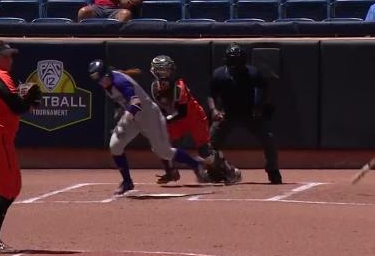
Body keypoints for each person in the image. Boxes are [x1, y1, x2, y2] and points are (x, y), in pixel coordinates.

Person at [88, 60, 207, 195]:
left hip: (150, 116)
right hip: (134, 117)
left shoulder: (120, 82)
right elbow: (120, 99)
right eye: (99, 80)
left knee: (164, 152)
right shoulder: (107, 83)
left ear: (107, 74)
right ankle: (127, 182)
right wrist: (119, 112)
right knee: (115, 146)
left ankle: (196, 165)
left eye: (103, 79)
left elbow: (135, 102)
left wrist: (124, 120)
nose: (101, 82)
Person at [0, 41, 41, 253]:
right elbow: (16, 106)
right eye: (5, 56)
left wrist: (25, 102)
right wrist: (29, 103)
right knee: (9, 188)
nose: (10, 60)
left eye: (11, 56)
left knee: (12, 186)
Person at [149, 55, 241, 185]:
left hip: (193, 117)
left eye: (166, 70)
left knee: (205, 152)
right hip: (175, 119)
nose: (164, 74)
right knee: (158, 144)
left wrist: (164, 121)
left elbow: (182, 113)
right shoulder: (154, 88)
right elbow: (163, 110)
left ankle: (229, 170)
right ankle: (171, 171)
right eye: (160, 70)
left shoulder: (179, 86)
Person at [208, 43, 283, 184]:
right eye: (232, 60)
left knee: (269, 139)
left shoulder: (253, 73)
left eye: (238, 60)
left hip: (250, 114)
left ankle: (272, 170)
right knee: (209, 145)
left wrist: (260, 106)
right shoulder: (219, 74)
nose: (235, 65)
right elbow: (211, 95)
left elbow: (264, 89)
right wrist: (214, 110)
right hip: (227, 114)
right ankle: (217, 171)